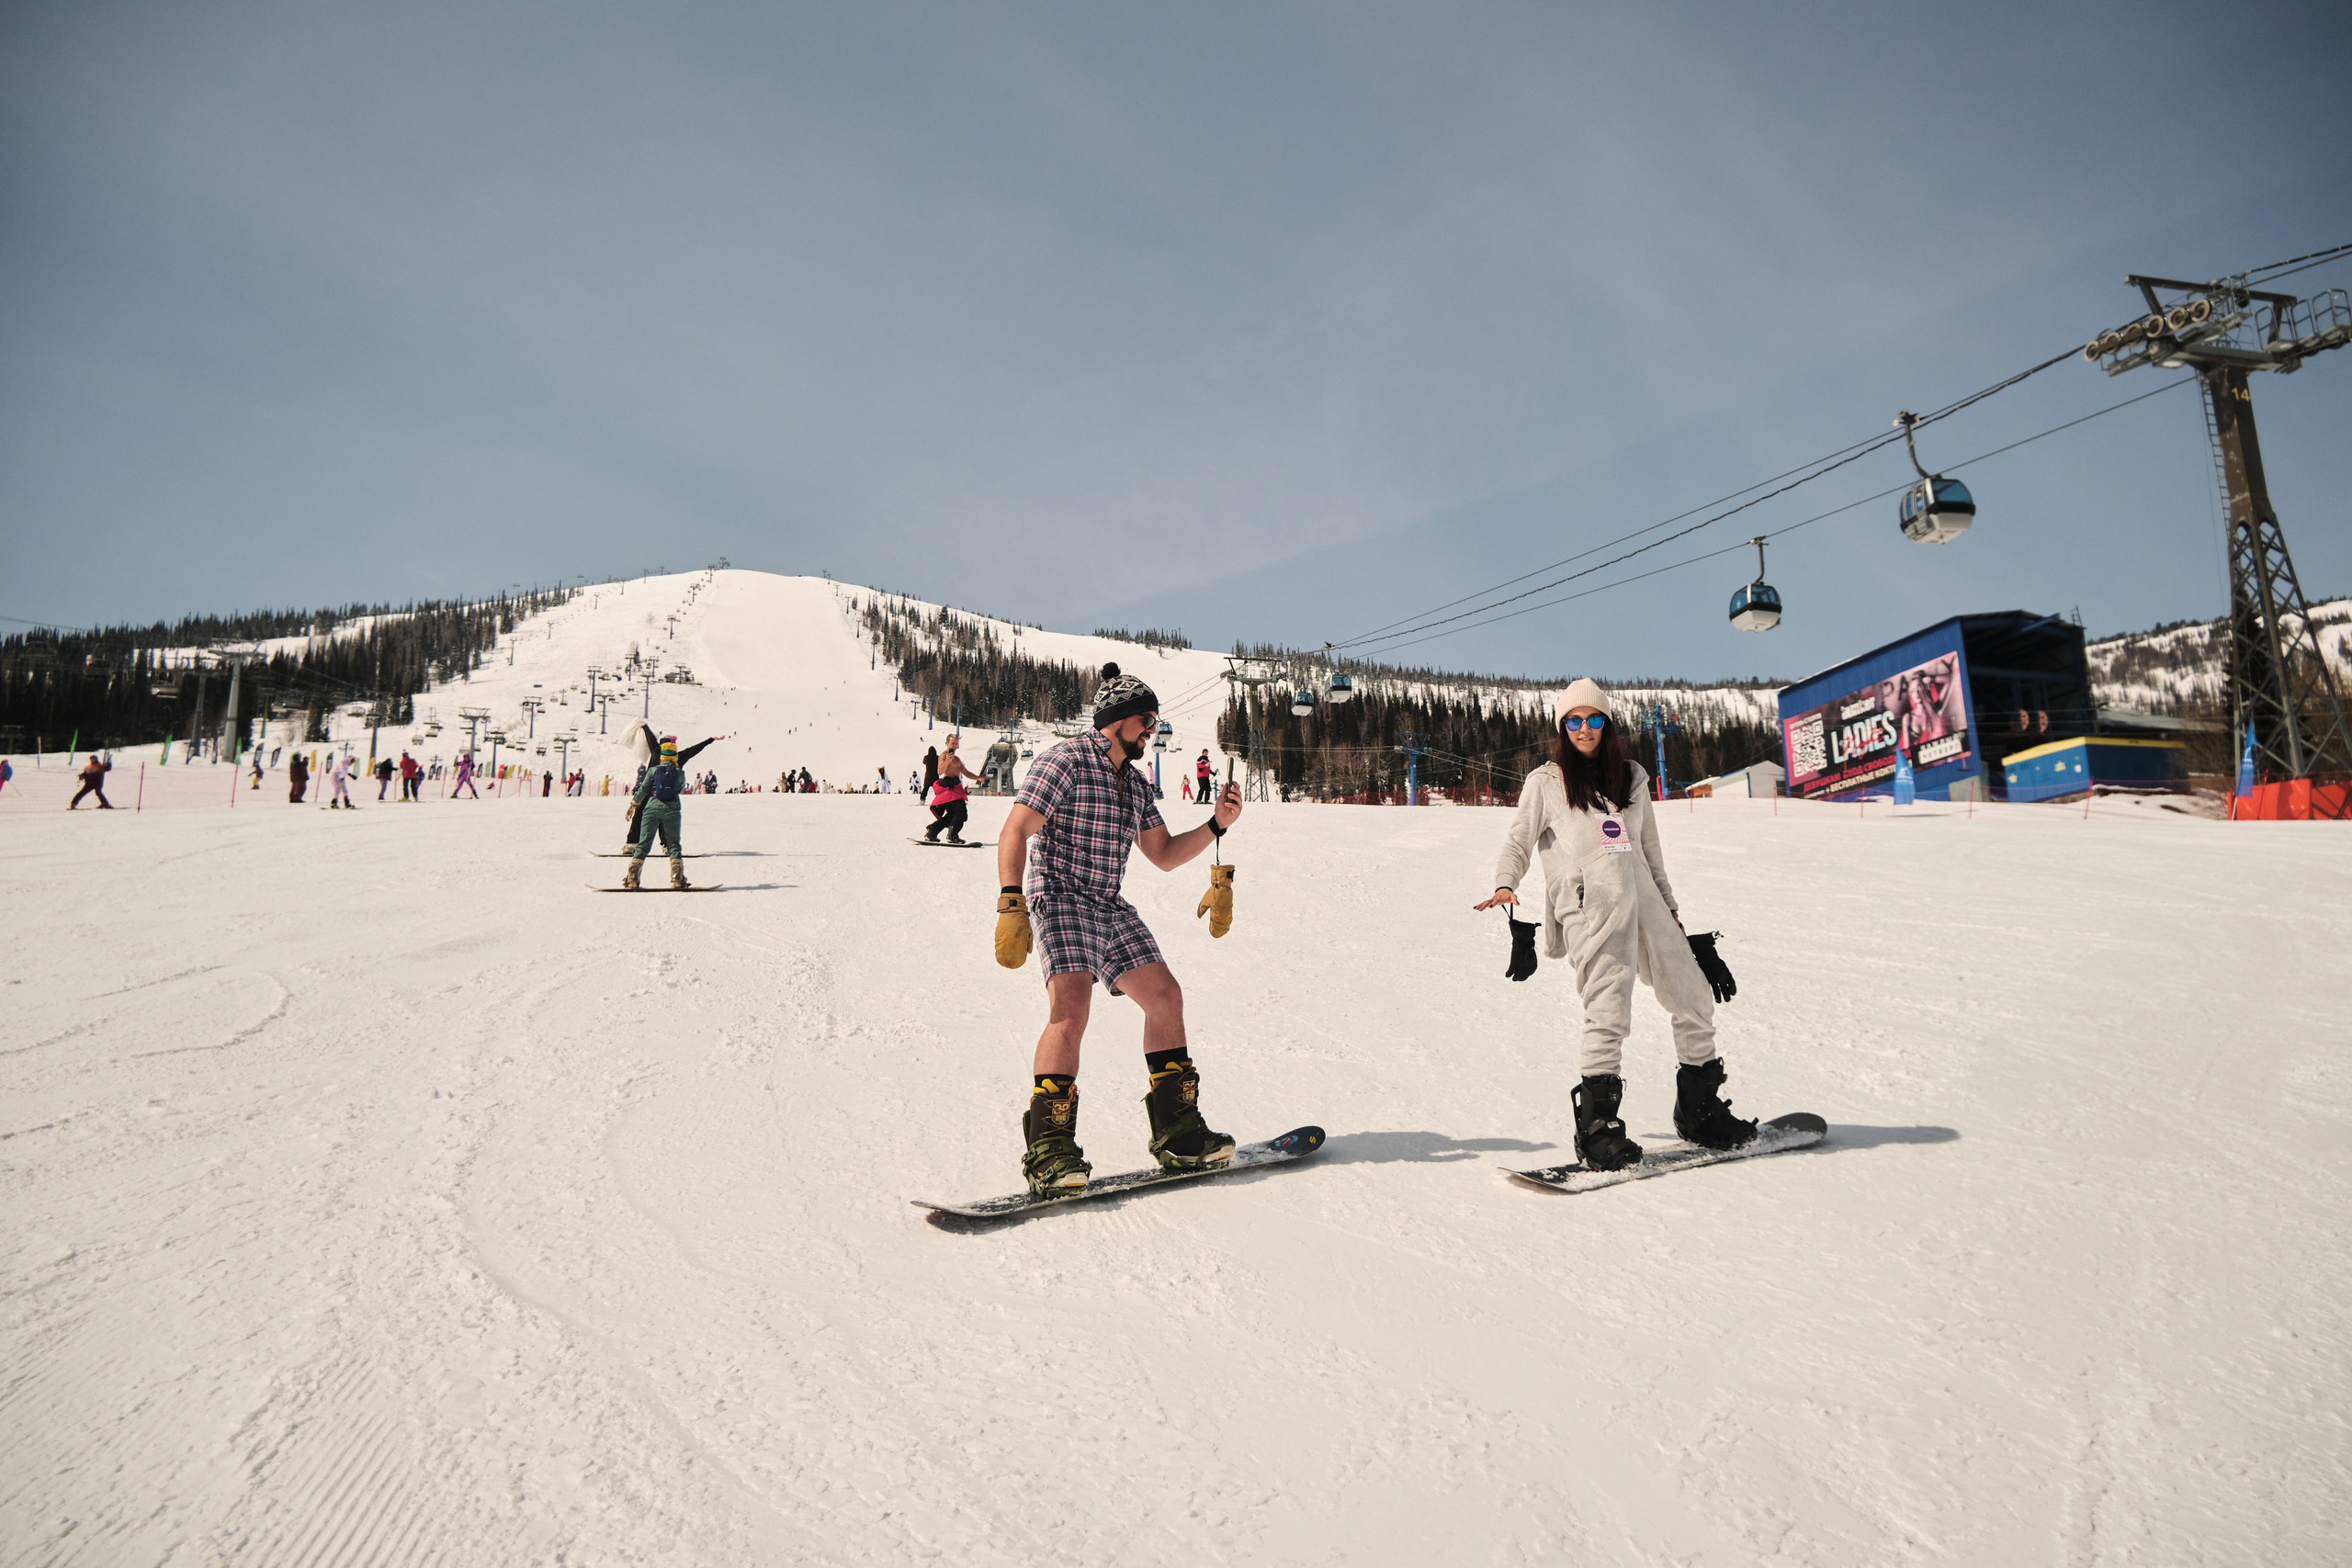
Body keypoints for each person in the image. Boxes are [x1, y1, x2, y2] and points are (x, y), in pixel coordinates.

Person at [1473, 679, 1756, 1172]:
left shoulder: (1632, 776)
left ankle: (1700, 1110)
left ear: (1607, 723)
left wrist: (1670, 909)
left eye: (1594, 718)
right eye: (1575, 720)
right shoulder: (1546, 781)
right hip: (1591, 907)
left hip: (1646, 903)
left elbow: (1650, 850)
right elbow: (1519, 841)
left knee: (1692, 995)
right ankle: (1597, 1129)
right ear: (1563, 727)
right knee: (1608, 1009)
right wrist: (1504, 884)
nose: (1585, 728)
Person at [992, 664, 1245, 1196]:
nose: (1152, 730)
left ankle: (1178, 1133)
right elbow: (1016, 827)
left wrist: (1217, 826)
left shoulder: (1133, 784)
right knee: (1071, 1011)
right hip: (1060, 896)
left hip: (1107, 903)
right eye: (1145, 720)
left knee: (1165, 997)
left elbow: (1164, 854)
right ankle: (1050, 1149)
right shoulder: (1064, 761)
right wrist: (1011, 898)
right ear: (1115, 721)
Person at [622, 737, 691, 890]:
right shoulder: (679, 772)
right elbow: (680, 789)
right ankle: (677, 877)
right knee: (673, 844)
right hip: (672, 810)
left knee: (643, 844)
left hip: (651, 809)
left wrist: (633, 805)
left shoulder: (653, 770)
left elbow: (643, 790)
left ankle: (633, 875)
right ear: (675, 756)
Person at [924, 734, 979, 842]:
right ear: (947, 743)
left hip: (956, 788)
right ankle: (952, 835)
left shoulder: (957, 759)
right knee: (960, 812)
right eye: (952, 743)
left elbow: (966, 772)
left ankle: (932, 831)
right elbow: (940, 771)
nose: (954, 745)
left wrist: (979, 778)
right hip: (948, 789)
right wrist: (947, 761)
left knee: (951, 815)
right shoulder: (944, 755)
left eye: (956, 743)